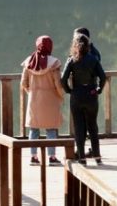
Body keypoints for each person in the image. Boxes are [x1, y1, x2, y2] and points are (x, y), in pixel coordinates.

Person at [61, 34, 106, 165]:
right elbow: (103, 77)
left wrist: (69, 90)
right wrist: (98, 90)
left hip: (77, 96)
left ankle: (82, 158)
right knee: (93, 126)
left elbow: (63, 79)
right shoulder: (93, 59)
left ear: (74, 46)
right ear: (88, 46)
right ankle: (97, 156)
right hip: (91, 95)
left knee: (79, 127)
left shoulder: (71, 60)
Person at [21, 35, 65, 166]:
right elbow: (58, 84)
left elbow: (24, 82)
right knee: (51, 129)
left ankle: (33, 157)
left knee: (33, 129)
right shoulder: (54, 63)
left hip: (34, 99)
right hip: (50, 99)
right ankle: (51, 157)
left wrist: (31, 92)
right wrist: (61, 95)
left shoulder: (29, 62)